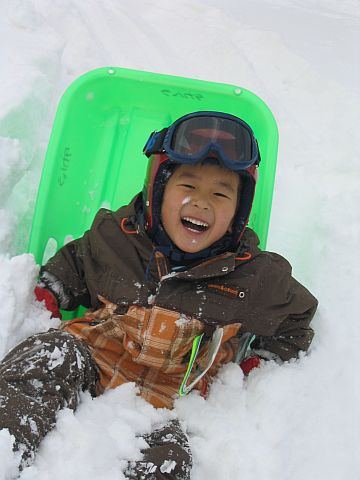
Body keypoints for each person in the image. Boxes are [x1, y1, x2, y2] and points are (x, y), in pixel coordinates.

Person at [0, 111, 318, 479]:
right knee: (47, 354)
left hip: (169, 406)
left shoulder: (253, 276)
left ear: (238, 212)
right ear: (158, 191)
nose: (202, 203)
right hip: (93, 356)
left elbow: (297, 316)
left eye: (220, 193)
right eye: (188, 187)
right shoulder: (118, 238)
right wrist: (53, 289)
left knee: (171, 462)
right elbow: (80, 259)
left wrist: (260, 363)